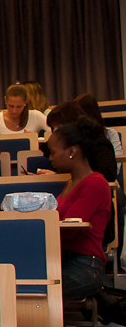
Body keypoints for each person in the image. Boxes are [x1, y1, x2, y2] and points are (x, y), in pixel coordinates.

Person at [47, 117, 112, 302]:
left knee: (42, 290)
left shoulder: (95, 184)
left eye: (53, 152)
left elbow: (69, 232)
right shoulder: (71, 183)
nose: (50, 158)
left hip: (85, 266)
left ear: (72, 152)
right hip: (63, 261)